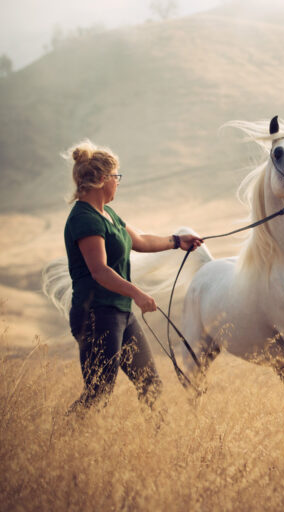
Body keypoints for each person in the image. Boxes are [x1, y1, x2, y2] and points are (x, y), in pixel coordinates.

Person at [64, 139, 202, 414]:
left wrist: (177, 241)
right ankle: (61, 439)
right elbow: (100, 271)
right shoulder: (84, 219)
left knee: (151, 386)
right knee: (98, 393)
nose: (118, 183)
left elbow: (139, 240)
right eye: (117, 177)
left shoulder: (108, 215)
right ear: (103, 179)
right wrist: (138, 294)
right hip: (96, 315)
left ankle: (158, 448)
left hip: (121, 314)